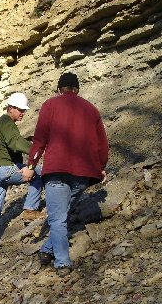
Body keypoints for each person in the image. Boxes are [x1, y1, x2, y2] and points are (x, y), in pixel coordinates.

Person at [22, 72, 108, 275]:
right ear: (77, 89)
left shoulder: (50, 105)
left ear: (60, 89)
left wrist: (31, 165)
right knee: (63, 214)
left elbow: (40, 139)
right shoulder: (91, 109)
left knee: (58, 218)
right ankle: (46, 250)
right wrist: (101, 166)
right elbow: (102, 144)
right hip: (83, 174)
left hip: (57, 170)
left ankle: (62, 262)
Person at [0, 92, 44, 263]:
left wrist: (28, 140)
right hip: (3, 170)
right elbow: (16, 143)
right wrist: (38, 149)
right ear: (10, 107)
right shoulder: (7, 123)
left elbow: (10, 144)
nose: (23, 113)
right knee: (40, 173)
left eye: (24, 110)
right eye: (20, 109)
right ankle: (30, 210)